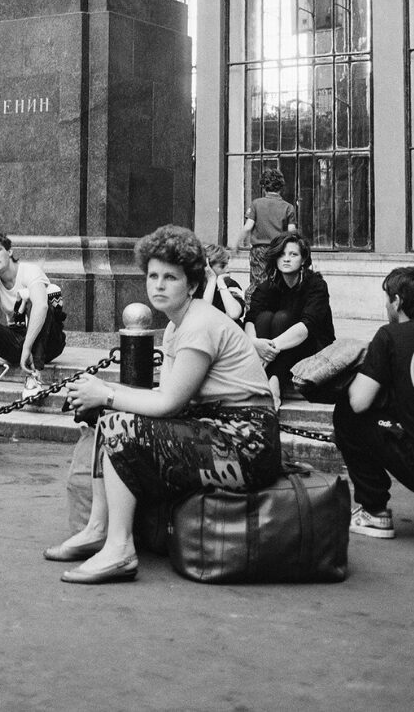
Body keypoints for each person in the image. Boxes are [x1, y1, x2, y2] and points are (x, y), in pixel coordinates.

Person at [50, 225, 280, 584]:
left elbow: (169, 403)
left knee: (118, 424)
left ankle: (119, 549)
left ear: (191, 284)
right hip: (222, 432)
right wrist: (107, 401)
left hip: (248, 446)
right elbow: (165, 398)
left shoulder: (199, 324)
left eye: (170, 277)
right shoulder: (177, 326)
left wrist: (106, 392)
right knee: (115, 416)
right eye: (153, 275)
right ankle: (97, 528)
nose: (158, 285)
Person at [335, 266, 414, 540]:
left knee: (348, 412)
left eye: (387, 298)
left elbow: (360, 402)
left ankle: (374, 511)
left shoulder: (390, 335)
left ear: (397, 302)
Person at [0, 230, 66, 388]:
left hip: (49, 340)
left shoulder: (29, 270)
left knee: (35, 302)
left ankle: (34, 375)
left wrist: (27, 348)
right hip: (18, 339)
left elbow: (41, 306)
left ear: (9, 251)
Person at [246, 232, 335, 401]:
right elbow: (251, 318)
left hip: (312, 348)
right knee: (264, 317)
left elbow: (306, 327)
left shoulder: (316, 286)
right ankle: (269, 377)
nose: (286, 259)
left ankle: (273, 380)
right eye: (281, 254)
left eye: (293, 254)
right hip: (276, 352)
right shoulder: (268, 286)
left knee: (282, 318)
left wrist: (269, 348)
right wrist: (254, 343)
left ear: (303, 260)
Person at [236, 170, 297, 274]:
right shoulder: (288, 207)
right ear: (281, 187)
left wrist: (237, 243)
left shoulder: (256, 204)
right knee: (278, 280)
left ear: (264, 187)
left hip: (259, 251)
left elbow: (247, 227)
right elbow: (291, 232)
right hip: (279, 250)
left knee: (258, 283)